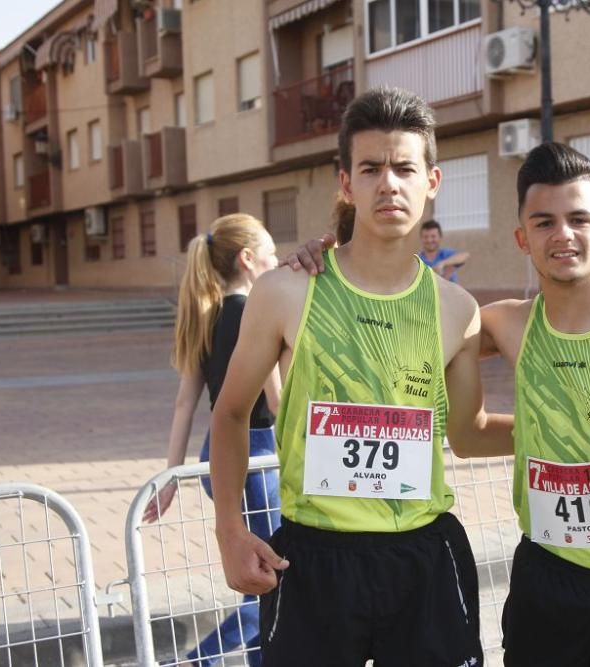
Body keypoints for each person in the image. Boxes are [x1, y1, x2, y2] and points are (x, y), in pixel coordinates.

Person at [286, 142, 590, 666]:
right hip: (544, 581)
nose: (564, 235)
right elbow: (412, 324)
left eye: (579, 219)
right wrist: (339, 255)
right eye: (545, 222)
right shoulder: (504, 324)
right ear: (522, 238)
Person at [209, 87, 511, 667]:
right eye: (371, 168)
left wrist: (561, 431)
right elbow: (230, 413)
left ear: (432, 182)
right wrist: (229, 531)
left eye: (404, 168)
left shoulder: (456, 308)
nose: (389, 184)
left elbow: (468, 435)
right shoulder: (287, 290)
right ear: (346, 183)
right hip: (314, 559)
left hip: (423, 559)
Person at [144, 213, 282, 667]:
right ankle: (196, 661)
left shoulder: (205, 316)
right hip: (257, 455)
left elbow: (185, 405)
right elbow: (278, 402)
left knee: (260, 572)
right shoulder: (255, 314)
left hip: (215, 455)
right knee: (270, 579)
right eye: (272, 253)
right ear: (248, 259)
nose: (278, 260)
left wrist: (170, 478)